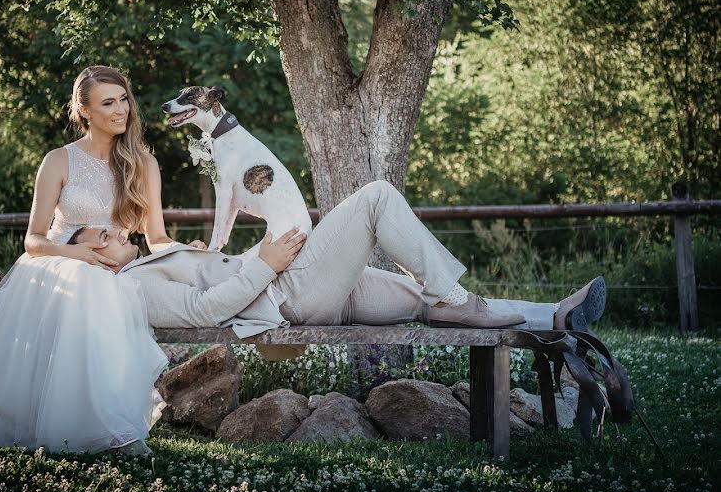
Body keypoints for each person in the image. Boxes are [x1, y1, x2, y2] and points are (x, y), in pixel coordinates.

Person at [0, 66, 203, 455]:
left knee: (105, 285)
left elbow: (156, 237)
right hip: (56, 260)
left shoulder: (143, 163)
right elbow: (33, 239)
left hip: (111, 264)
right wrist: (75, 253)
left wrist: (185, 251)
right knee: (86, 283)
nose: (120, 110)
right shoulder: (59, 161)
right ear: (85, 112)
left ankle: (106, 424)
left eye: (123, 99)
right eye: (107, 103)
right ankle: (90, 427)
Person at [69, 180, 606, 360]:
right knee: (374, 198)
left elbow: (213, 281)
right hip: (288, 296)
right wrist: (264, 261)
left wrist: (242, 257)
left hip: (292, 279)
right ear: (92, 258)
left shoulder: (148, 262)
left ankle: (553, 316)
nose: (115, 231)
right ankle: (453, 299)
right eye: (102, 237)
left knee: (422, 300)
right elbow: (204, 311)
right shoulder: (131, 287)